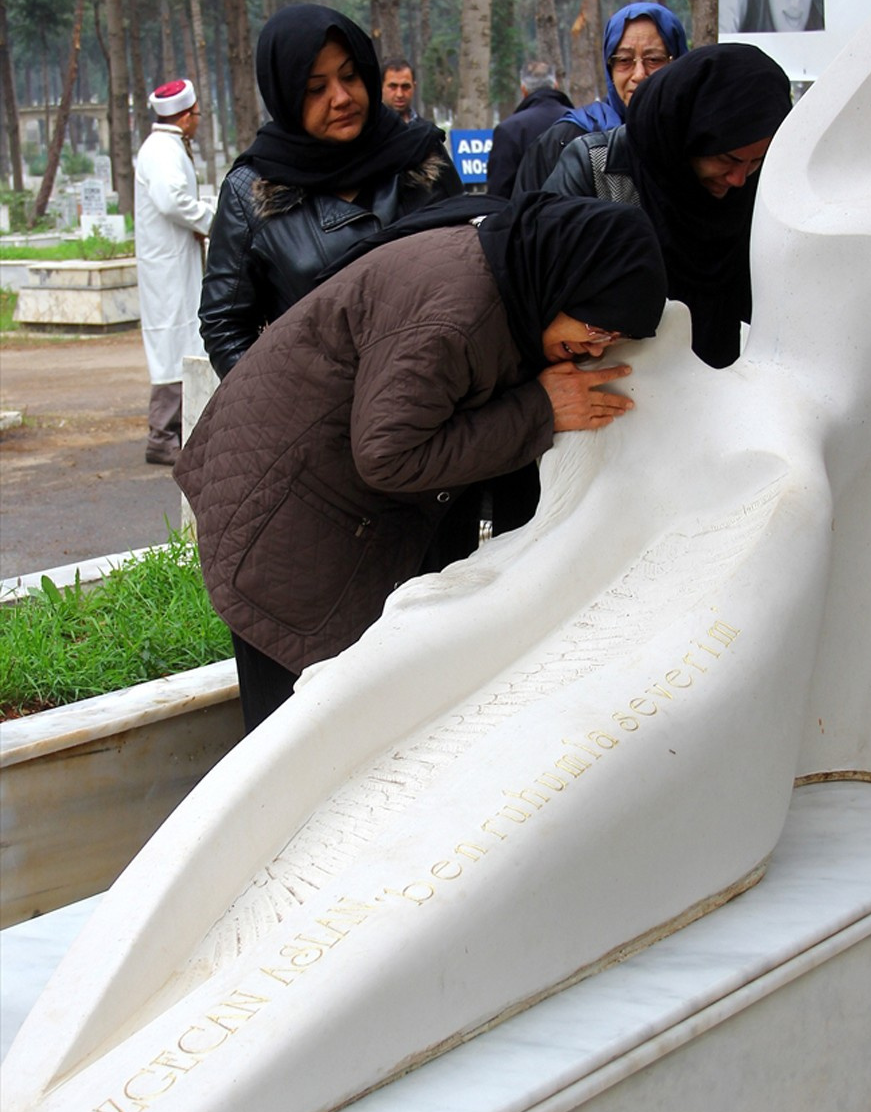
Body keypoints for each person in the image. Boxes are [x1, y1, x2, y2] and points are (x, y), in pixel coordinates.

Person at [176, 193, 667, 730]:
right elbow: (390, 455)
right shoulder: (456, 319)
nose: (596, 351)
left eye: (614, 339)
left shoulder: (510, 279)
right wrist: (539, 411)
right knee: (295, 746)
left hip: (310, 498)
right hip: (282, 532)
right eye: (595, 329)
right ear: (561, 283)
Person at [200, 8, 461, 380]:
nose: (341, 98)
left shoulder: (422, 159)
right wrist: (286, 403)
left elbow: (474, 275)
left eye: (350, 76)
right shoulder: (251, 191)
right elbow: (224, 324)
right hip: (325, 420)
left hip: (441, 401)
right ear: (286, 94)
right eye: (315, 88)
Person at [537, 44, 793, 368]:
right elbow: (538, 302)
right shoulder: (596, 171)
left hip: (731, 395)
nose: (739, 179)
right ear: (682, 137)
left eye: (756, 161)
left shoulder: (764, 192)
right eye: (726, 159)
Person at [513, 1, 688, 196]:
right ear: (609, 68)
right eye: (624, 60)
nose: (639, 74)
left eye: (654, 60)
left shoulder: (697, 141)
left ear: (678, 64)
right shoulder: (564, 140)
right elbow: (527, 220)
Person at [133, 78, 214, 466]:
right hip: (166, 265)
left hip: (174, 259)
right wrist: (212, 221)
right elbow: (172, 201)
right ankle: (162, 435)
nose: (197, 121)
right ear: (184, 118)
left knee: (181, 337)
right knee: (171, 342)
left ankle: (177, 429)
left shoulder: (166, 146)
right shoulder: (162, 150)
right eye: (196, 114)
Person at [485, 60, 573, 199]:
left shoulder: (509, 130)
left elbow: (498, 191)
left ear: (524, 89)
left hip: (528, 215)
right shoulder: (581, 121)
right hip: (579, 215)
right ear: (555, 85)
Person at [380, 57, 419, 122]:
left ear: (414, 87)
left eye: (405, 87)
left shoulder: (429, 131)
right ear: (381, 87)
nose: (399, 94)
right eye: (393, 87)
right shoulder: (368, 129)